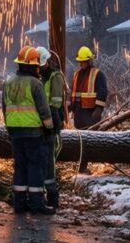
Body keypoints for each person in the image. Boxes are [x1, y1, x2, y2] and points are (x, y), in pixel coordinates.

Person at [2, 46, 55, 215]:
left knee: (20, 167)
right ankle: (36, 204)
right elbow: (44, 111)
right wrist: (49, 129)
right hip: (34, 133)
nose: (38, 68)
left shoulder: (8, 82)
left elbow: (4, 108)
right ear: (32, 66)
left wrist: (9, 128)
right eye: (36, 65)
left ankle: (19, 203)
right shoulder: (35, 83)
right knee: (36, 167)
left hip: (15, 133)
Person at [69, 45, 108, 173]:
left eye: (84, 61)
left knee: (87, 141)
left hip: (90, 113)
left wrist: (98, 109)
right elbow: (73, 93)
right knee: (80, 141)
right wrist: (70, 107)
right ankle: (82, 166)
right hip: (79, 113)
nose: (81, 64)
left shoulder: (98, 74)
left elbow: (102, 92)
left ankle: (84, 166)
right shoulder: (76, 75)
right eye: (80, 61)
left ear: (89, 61)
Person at [37, 46, 66, 208]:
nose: (40, 68)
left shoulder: (55, 75)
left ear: (47, 61)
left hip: (52, 119)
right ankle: (39, 194)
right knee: (42, 160)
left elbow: (56, 102)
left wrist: (54, 123)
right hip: (40, 122)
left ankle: (52, 196)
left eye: (41, 65)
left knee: (50, 161)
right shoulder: (39, 75)